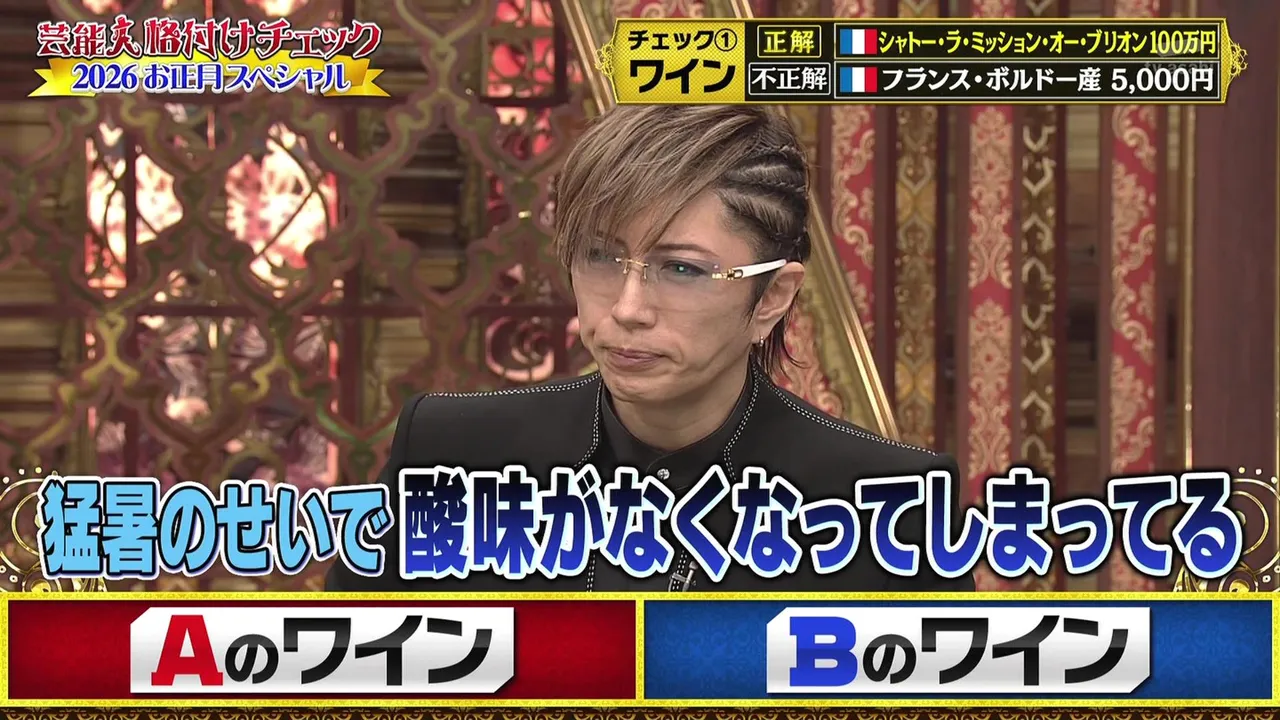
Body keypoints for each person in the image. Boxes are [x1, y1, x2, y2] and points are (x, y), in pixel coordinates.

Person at [327, 104, 975, 593]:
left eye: (682, 269)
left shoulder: (893, 504)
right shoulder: (449, 452)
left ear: (772, 298)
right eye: (601, 258)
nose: (627, 309)